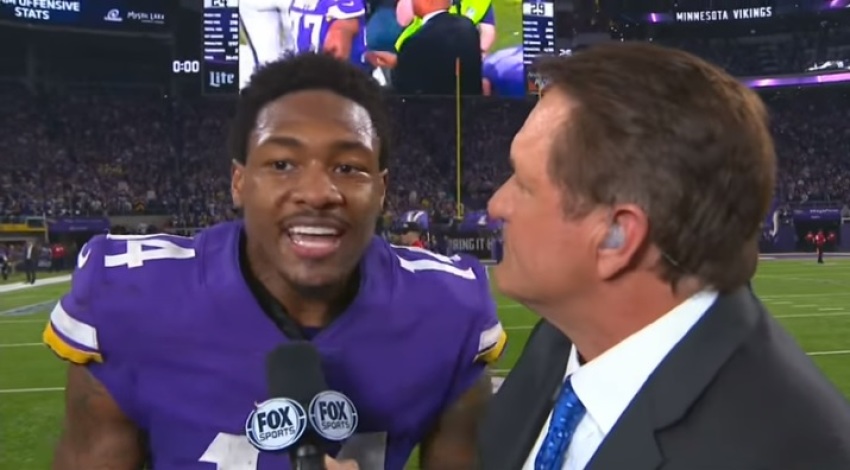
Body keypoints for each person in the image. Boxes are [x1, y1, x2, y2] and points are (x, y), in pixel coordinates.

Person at [43, 53, 505, 470]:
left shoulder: (448, 310)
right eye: (283, 163)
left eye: (349, 167)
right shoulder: (130, 301)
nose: (318, 193)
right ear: (239, 182)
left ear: (381, 190)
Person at [477, 42, 850, 469]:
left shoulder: (788, 451)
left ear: (617, 237)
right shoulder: (563, 338)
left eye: (523, 184)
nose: (496, 205)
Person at [367, 0, 482, 95]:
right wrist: (399, 61)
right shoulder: (468, 28)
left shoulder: (419, 39)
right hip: (468, 115)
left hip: (429, 116)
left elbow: (404, 87)